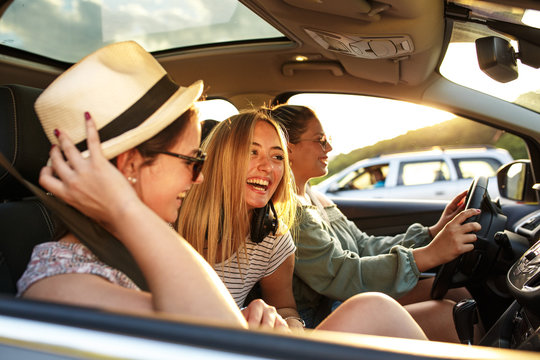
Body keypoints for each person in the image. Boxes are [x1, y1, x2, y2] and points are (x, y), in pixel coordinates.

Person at [16, 41, 246, 328]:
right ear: (130, 165)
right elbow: (223, 337)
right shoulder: (61, 287)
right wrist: (125, 208)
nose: (199, 176)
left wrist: (250, 317)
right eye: (191, 160)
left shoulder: (143, 235)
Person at [177, 109, 427, 339]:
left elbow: (286, 308)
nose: (267, 166)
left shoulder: (272, 238)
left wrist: (283, 324)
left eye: (277, 157)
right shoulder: (171, 222)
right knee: (376, 307)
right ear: (220, 159)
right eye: (252, 152)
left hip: (247, 346)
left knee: (384, 307)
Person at [271, 104, 482, 342]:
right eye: (320, 140)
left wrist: (432, 233)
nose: (329, 147)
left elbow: (362, 246)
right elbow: (342, 274)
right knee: (447, 315)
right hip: (316, 320)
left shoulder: (313, 195)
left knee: (455, 291)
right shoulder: (289, 212)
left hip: (341, 299)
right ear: (290, 149)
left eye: (327, 139)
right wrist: (431, 254)